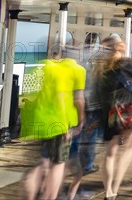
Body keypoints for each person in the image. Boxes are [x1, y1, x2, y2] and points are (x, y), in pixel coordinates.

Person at [21, 47, 86, 200]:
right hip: (61, 123)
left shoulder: (43, 65)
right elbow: (79, 99)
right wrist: (81, 119)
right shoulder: (78, 69)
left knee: (40, 164)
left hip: (38, 121)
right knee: (58, 164)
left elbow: (29, 93)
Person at [94, 35, 132, 200]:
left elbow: (98, 95)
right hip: (128, 110)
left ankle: (109, 192)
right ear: (119, 47)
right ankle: (117, 186)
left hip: (109, 112)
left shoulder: (99, 68)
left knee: (110, 153)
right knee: (130, 147)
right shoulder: (128, 63)